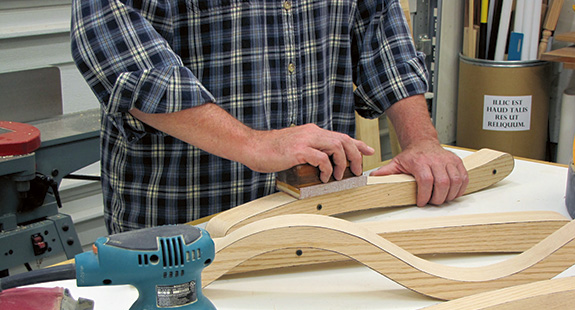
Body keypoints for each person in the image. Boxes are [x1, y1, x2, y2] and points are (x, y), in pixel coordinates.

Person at [71, 0, 468, 234]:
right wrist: (254, 144)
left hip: (319, 215)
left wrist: (421, 141)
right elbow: (119, 55)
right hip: (188, 228)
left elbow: (383, 35)